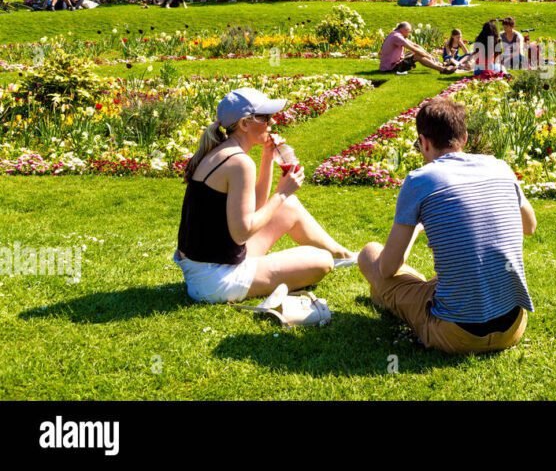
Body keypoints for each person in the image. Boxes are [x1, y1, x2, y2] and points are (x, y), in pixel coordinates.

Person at [357, 97, 535, 354]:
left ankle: (387, 298)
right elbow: (529, 226)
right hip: (513, 327)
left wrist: (417, 229)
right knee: (445, 279)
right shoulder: (499, 166)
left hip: (456, 334)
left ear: (424, 142)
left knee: (370, 255)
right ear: (463, 138)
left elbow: (387, 268)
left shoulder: (420, 180)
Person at [174, 88, 355, 304]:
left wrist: (268, 158)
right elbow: (242, 233)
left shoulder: (222, 151)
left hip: (209, 264)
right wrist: (280, 193)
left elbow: (254, 209)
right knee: (321, 261)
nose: (272, 123)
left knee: (289, 205)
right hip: (216, 278)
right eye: (265, 117)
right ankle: (329, 257)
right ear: (244, 124)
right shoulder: (239, 163)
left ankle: (342, 255)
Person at [379, 22, 456, 74]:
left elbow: (415, 45)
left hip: (393, 63)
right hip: (390, 68)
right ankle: (442, 69)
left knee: (415, 53)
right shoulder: (397, 37)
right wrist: (428, 56)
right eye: (408, 31)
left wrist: (429, 55)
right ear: (403, 30)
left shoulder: (397, 34)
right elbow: (413, 48)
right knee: (417, 56)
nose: (409, 33)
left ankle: (440, 65)